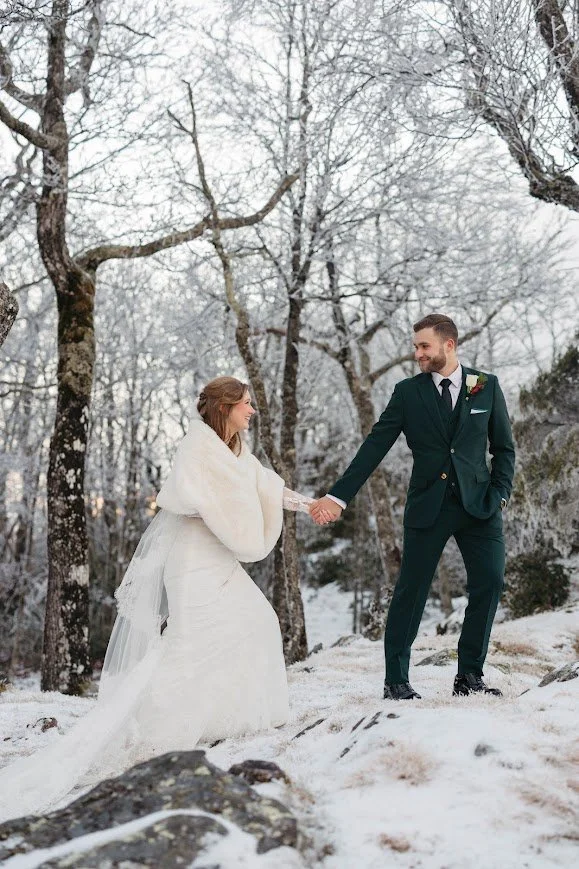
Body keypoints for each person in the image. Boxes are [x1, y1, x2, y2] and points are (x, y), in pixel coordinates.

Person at [0, 376, 312, 821]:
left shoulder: (239, 451)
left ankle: (232, 715)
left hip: (220, 558)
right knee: (189, 643)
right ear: (225, 408)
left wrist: (311, 504)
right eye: (246, 404)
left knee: (259, 621)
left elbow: (266, 487)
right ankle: (152, 730)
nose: (252, 412)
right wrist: (221, 510)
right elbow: (187, 500)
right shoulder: (196, 449)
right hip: (192, 560)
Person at [310, 314, 515, 700]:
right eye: (415, 346)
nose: (416, 353)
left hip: (480, 505)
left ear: (449, 345)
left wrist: (500, 494)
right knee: (411, 591)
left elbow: (504, 449)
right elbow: (375, 446)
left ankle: (469, 676)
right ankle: (397, 681)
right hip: (428, 506)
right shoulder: (407, 393)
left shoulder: (486, 387)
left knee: (490, 582)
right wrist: (338, 497)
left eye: (424, 346)